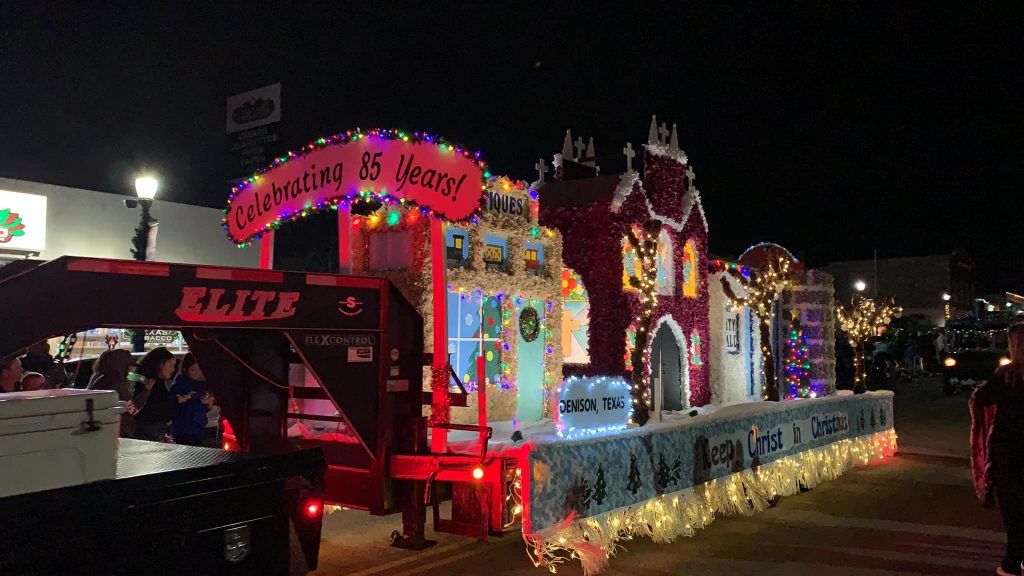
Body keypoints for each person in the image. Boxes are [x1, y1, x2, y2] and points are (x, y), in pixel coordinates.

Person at [972, 323, 1024, 576]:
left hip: (1011, 448)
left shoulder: (1007, 375)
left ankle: (1014, 561)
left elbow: (981, 399)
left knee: (1014, 508)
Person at [86, 349, 136, 437]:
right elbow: (130, 408)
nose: (129, 369)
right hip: (113, 432)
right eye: (127, 365)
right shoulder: (113, 381)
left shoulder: (99, 378)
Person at [132, 347, 177, 442]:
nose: (173, 370)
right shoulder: (145, 381)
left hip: (157, 427)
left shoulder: (158, 382)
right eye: (170, 366)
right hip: (150, 428)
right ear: (160, 365)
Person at [169, 353, 212, 446]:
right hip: (184, 429)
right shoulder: (180, 385)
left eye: (199, 369)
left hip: (197, 428)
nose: (197, 372)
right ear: (185, 369)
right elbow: (176, 406)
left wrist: (208, 404)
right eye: (193, 369)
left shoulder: (199, 385)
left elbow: (201, 408)